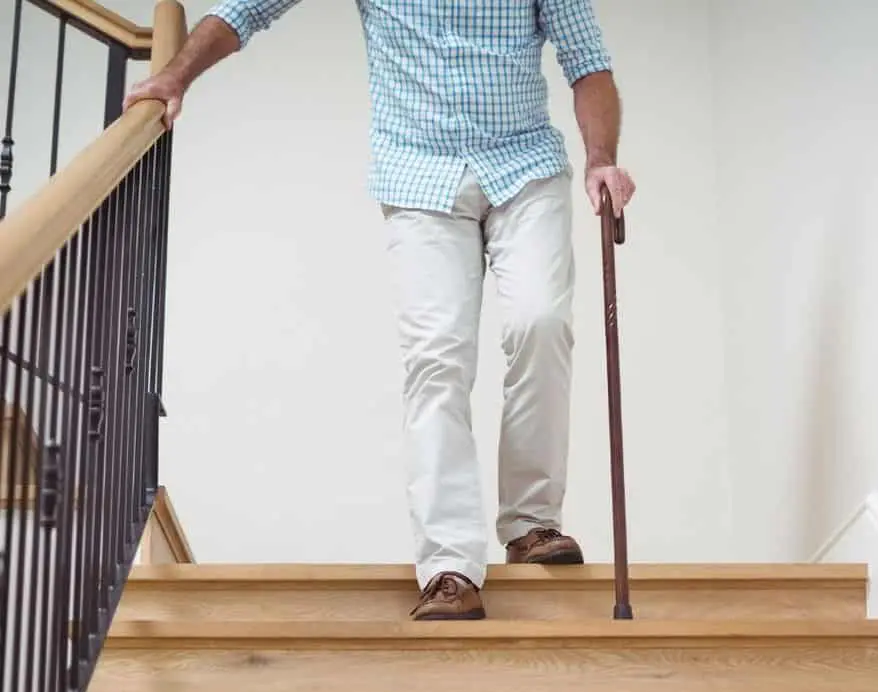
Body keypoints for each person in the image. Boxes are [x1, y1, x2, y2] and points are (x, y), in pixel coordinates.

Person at [125, 0, 635, 621]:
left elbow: (589, 64)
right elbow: (246, 10)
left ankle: (531, 525)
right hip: (418, 177)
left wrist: (601, 158)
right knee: (437, 357)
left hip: (524, 167)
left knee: (541, 322)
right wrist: (175, 77)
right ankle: (449, 564)